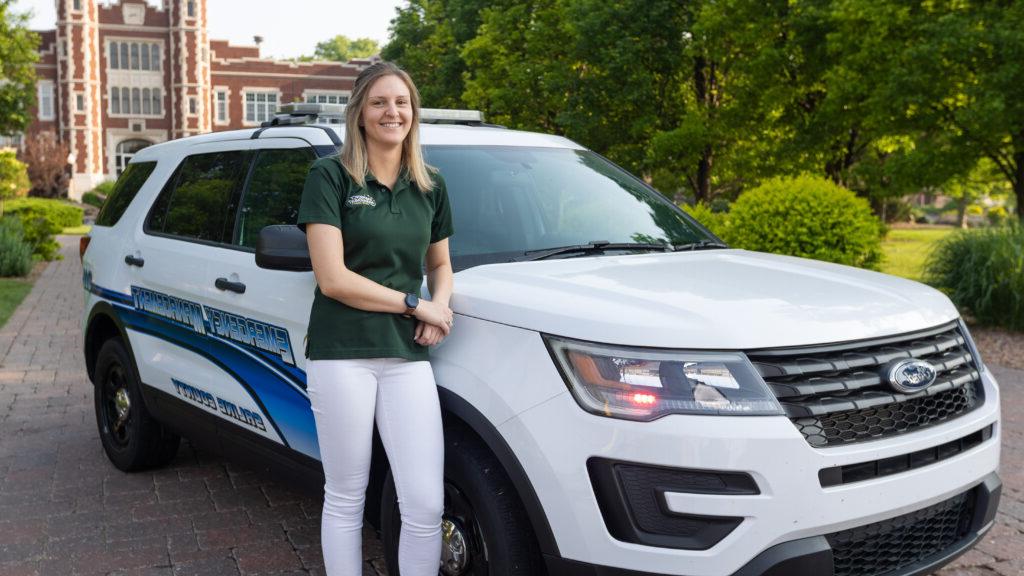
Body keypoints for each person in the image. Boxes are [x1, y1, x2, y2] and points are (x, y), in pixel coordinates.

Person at [297, 61, 455, 575]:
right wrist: (415, 304)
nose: (393, 112)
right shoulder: (330, 176)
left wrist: (442, 304)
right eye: (380, 102)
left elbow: (440, 263)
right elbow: (333, 279)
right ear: (360, 114)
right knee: (347, 494)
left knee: (426, 504)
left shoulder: (430, 184)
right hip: (344, 352)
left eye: (402, 102)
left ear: (414, 113)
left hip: (407, 356)